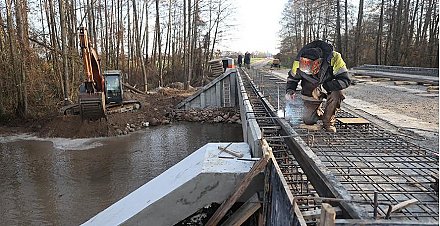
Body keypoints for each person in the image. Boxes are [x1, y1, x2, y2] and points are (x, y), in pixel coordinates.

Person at [285, 40, 351, 132]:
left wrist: (323, 88)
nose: (306, 70)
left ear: (318, 63)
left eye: (308, 67)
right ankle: (317, 111)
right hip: (310, 90)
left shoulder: (334, 58)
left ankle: (328, 122)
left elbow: (345, 80)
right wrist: (290, 90)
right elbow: (292, 78)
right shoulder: (298, 61)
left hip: (329, 89)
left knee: (337, 93)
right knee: (308, 120)